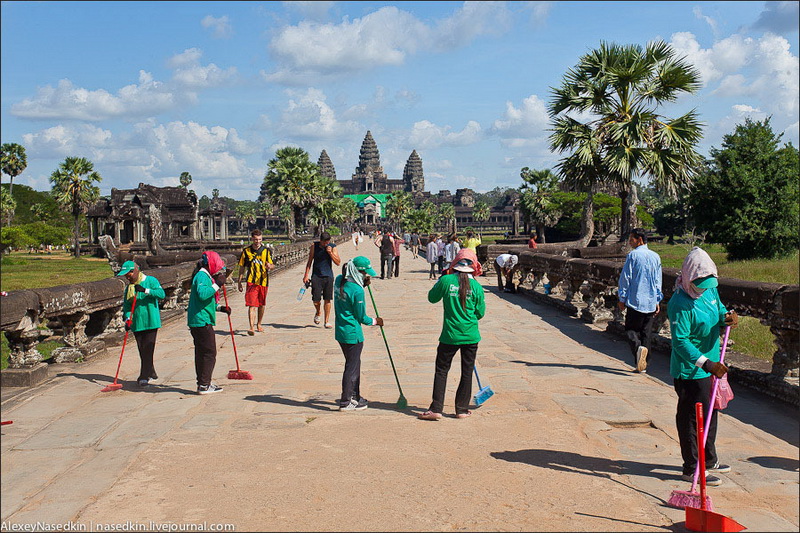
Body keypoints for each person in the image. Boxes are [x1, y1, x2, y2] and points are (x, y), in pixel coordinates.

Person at [667, 246, 739, 486]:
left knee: (710, 412)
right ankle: (691, 466)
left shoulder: (710, 291)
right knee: (691, 418)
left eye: (708, 283)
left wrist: (727, 316)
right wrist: (706, 363)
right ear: (689, 278)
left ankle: (709, 459)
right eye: (700, 283)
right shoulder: (680, 303)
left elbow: (718, 309)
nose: (704, 288)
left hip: (711, 363)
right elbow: (681, 342)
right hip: (691, 369)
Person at [419, 248, 486, 420]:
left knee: (442, 370)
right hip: (470, 334)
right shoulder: (477, 287)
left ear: (454, 265)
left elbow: (432, 297)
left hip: (450, 335)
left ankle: (436, 408)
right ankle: (461, 409)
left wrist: (443, 280)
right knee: (467, 371)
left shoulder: (446, 280)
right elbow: (480, 312)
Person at [333, 256, 384, 411]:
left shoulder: (339, 280)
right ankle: (346, 401)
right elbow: (362, 317)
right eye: (364, 273)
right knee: (352, 367)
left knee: (354, 365)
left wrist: (362, 282)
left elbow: (348, 283)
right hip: (353, 333)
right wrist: (376, 321)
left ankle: (355, 396)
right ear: (357, 271)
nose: (366, 275)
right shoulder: (357, 291)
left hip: (341, 330)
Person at [617, 228, 663, 373]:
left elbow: (625, 279)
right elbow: (658, 280)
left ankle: (638, 350)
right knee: (646, 333)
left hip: (635, 300)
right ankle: (644, 363)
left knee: (631, 330)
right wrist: (657, 299)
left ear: (640, 240)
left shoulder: (633, 256)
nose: (630, 242)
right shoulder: (656, 256)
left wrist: (622, 298)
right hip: (650, 301)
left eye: (632, 239)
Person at [187, 251, 231, 394]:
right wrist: (217, 284)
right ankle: (204, 385)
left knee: (202, 353)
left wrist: (220, 308)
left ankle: (203, 382)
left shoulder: (205, 276)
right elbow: (203, 294)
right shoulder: (202, 276)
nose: (219, 272)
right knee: (209, 353)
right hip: (201, 320)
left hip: (200, 318)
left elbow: (205, 301)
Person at [118, 260, 165, 387]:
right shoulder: (129, 288)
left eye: (129, 274)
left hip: (151, 321)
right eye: (126, 275)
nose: (127, 277)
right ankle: (151, 371)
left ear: (135, 271)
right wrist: (127, 319)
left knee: (148, 349)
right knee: (142, 349)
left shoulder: (151, 281)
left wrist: (146, 290)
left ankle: (144, 375)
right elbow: (127, 306)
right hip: (137, 322)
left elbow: (161, 294)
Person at [237, 229, 274, 336]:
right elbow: (242, 268)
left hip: (263, 281)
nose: (257, 242)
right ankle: (251, 327)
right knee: (251, 304)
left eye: (259, 239)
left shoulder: (266, 251)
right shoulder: (246, 251)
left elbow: (272, 265)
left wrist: (269, 266)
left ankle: (259, 323)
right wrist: (239, 281)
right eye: (255, 239)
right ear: (252, 239)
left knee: (261, 304)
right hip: (251, 281)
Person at [303, 231, 341, 329]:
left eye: (327, 242)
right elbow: (309, 261)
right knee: (316, 299)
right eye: (324, 242)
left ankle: (326, 321)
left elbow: (338, 262)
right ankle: (318, 311)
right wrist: (306, 275)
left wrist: (330, 252)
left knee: (327, 299)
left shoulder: (332, 247)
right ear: (320, 241)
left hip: (328, 275)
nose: (326, 244)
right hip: (316, 275)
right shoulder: (314, 246)